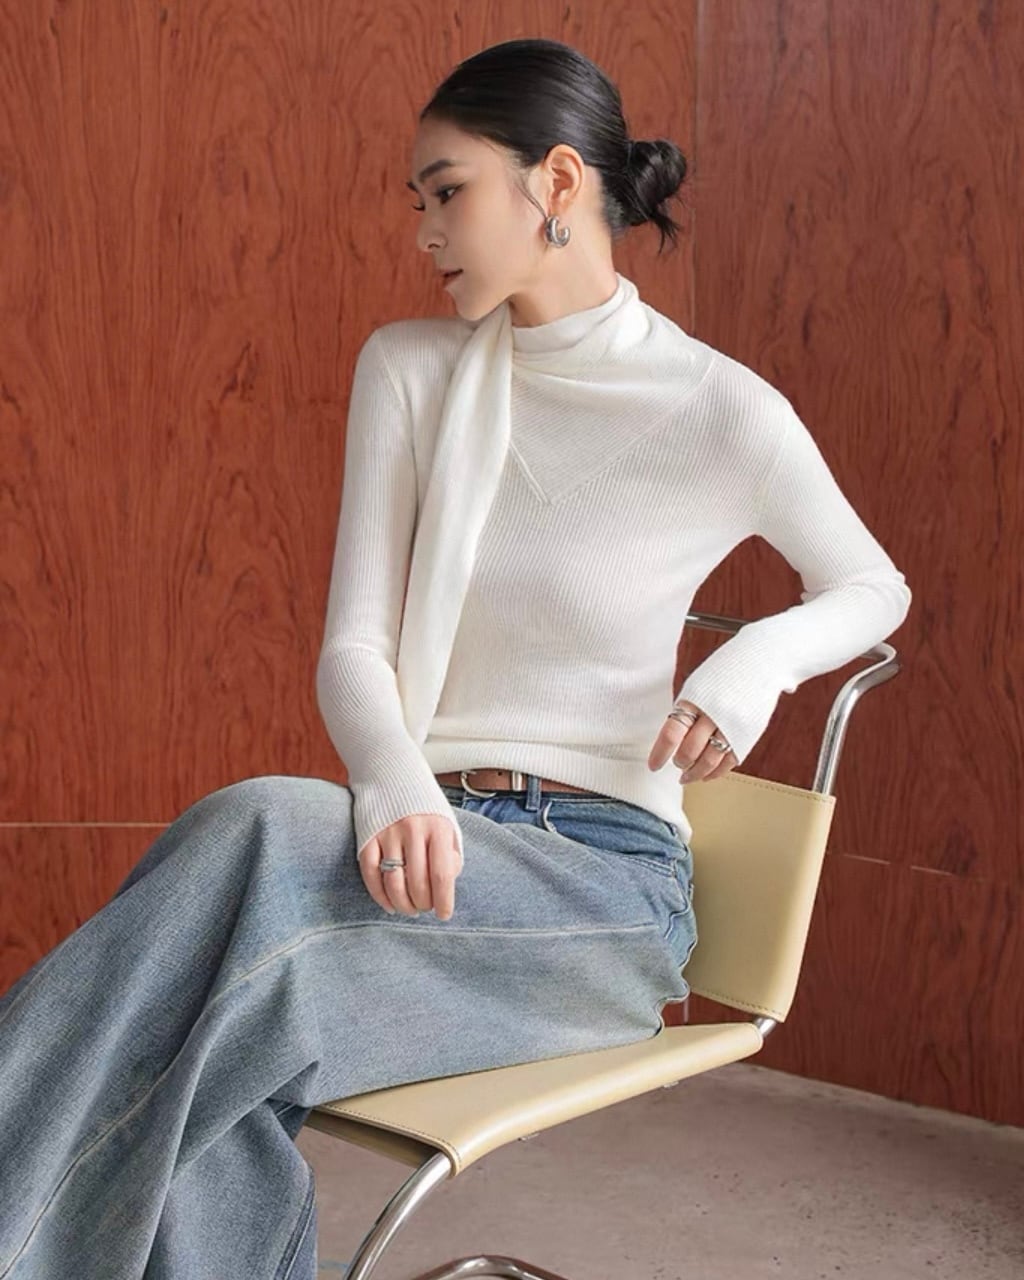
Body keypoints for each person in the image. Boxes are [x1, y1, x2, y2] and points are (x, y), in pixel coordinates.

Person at [0, 37, 910, 1280]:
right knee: (227, 1003)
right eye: (417, 199)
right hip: (421, 848)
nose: (424, 229)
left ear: (556, 182)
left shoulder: (720, 408)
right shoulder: (409, 369)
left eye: (447, 191)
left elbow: (870, 585)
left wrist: (753, 660)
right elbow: (355, 644)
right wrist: (395, 784)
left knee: (242, 883)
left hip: (601, 892)